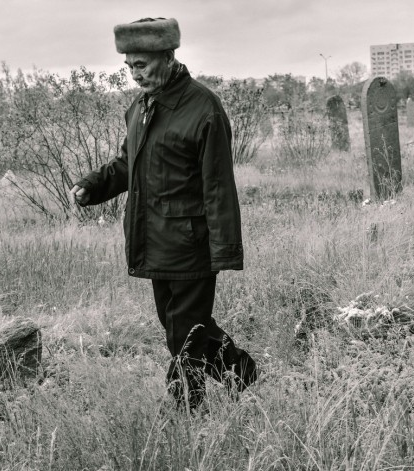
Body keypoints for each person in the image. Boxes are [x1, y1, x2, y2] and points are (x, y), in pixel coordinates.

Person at [70, 17, 257, 412]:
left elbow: (219, 186)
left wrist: (224, 251)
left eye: (141, 65)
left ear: (168, 57)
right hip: (153, 239)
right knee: (182, 326)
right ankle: (243, 373)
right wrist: (94, 185)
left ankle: (186, 408)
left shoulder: (204, 108)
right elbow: (129, 163)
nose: (134, 74)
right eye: (129, 66)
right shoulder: (140, 107)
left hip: (191, 243)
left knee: (184, 333)